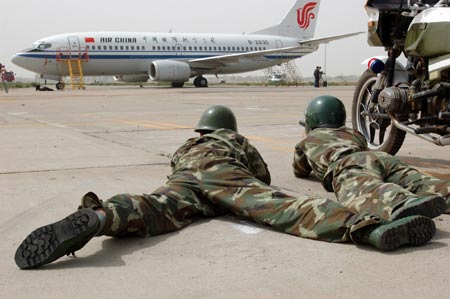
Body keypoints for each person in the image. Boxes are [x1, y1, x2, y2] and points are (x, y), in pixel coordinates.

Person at [15, 105, 437, 270]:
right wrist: (240, 188)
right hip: (224, 177)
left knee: (155, 207)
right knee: (287, 209)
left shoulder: (189, 143)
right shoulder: (233, 141)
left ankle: (103, 215)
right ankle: (368, 228)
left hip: (187, 181)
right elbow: (264, 180)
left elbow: (186, 172)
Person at [293, 95, 449, 222]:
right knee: (419, 181)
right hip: (379, 158)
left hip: (347, 163)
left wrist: (305, 140)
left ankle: (401, 202)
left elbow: (299, 170)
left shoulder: (307, 140)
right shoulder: (354, 133)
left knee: (365, 191)